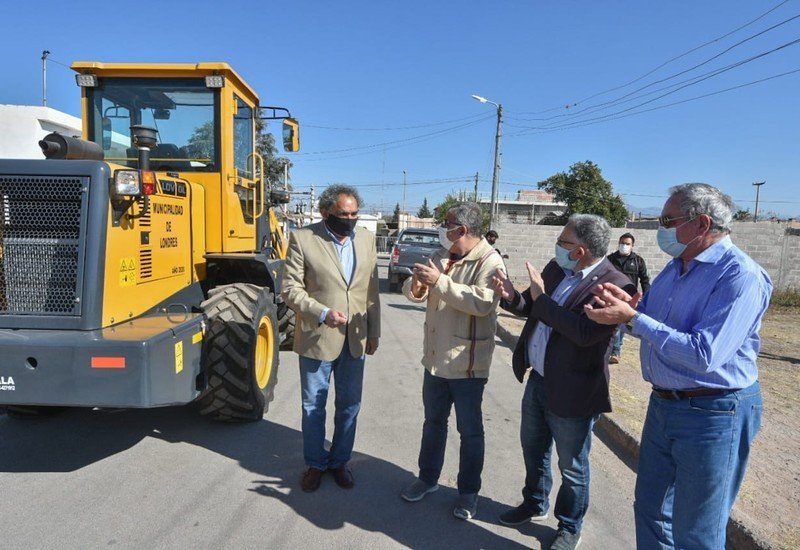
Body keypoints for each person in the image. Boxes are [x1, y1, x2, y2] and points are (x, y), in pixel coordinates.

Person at [585, 183, 772, 549]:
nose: (660, 227)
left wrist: (635, 320)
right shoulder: (675, 267)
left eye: (667, 220)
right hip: (664, 405)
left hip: (714, 412)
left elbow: (705, 355)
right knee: (651, 511)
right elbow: (652, 324)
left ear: (701, 224)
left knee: (697, 529)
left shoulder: (740, 276)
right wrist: (626, 308)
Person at [491, 214, 635, 550]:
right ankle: (535, 502)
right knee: (533, 449)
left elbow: (584, 333)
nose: (557, 245)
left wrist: (542, 301)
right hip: (539, 380)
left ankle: (570, 526)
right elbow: (533, 307)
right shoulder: (558, 269)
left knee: (572, 465)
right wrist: (514, 297)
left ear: (581, 250)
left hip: (574, 391)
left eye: (563, 240)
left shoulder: (614, 285)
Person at [399, 202, 506, 521]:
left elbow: (481, 303)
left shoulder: (490, 260)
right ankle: (427, 478)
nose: (440, 229)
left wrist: (438, 282)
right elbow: (416, 290)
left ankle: (468, 493)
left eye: (446, 224)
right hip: (434, 360)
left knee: (470, 432)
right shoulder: (440, 254)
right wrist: (416, 286)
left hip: (467, 364)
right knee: (433, 424)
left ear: (462, 229)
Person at [282, 184, 381, 493]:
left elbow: (370, 290)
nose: (350, 220)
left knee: (350, 404)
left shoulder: (365, 239)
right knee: (314, 406)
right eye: (343, 214)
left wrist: (374, 331)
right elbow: (289, 289)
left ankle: (339, 461)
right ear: (326, 213)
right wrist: (322, 312)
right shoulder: (303, 239)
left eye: (354, 214)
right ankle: (315, 463)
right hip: (318, 337)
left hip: (356, 338)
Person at [606, 232, 650, 363]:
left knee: (622, 323)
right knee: (613, 323)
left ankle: (615, 351)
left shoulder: (638, 261)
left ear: (632, 246)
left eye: (627, 244)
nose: (624, 246)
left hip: (629, 299)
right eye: (622, 243)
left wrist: (647, 296)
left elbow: (645, 280)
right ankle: (613, 350)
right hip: (612, 297)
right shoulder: (610, 259)